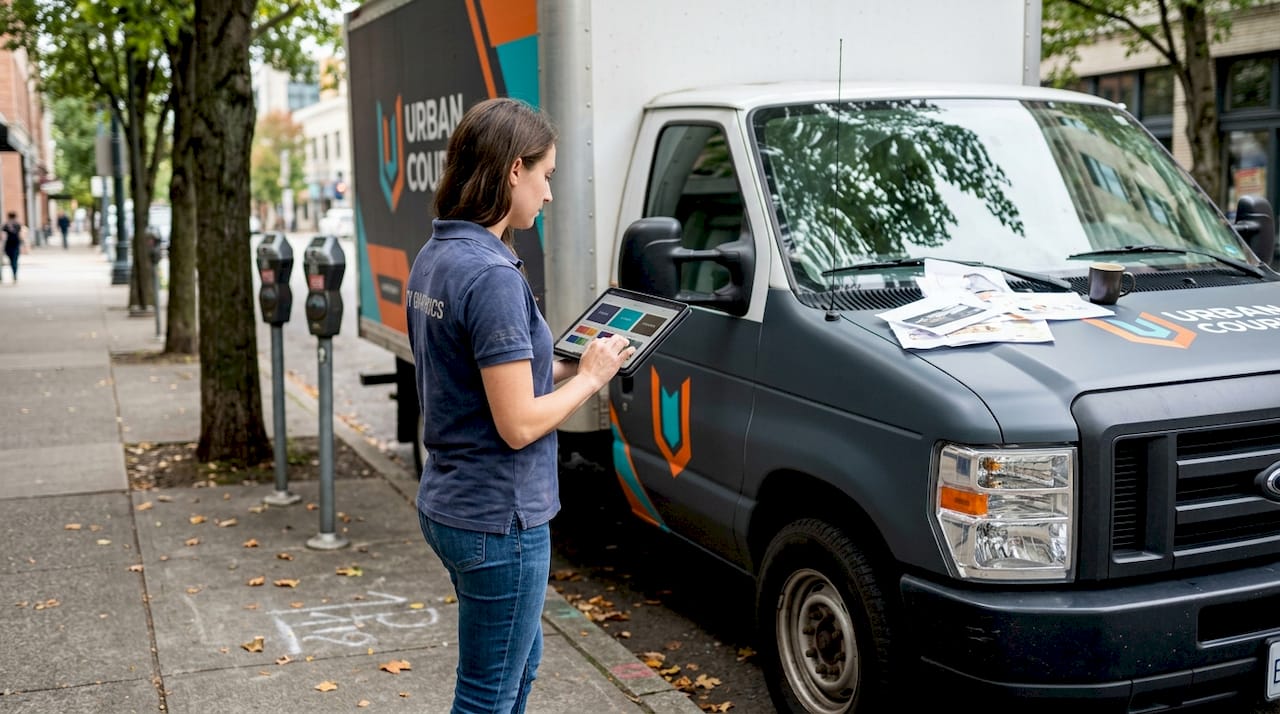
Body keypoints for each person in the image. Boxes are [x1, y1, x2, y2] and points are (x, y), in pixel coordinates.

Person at [404, 97, 634, 713]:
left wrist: (570, 362)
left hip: (451, 502)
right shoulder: (493, 276)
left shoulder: (437, 256)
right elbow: (518, 423)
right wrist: (589, 379)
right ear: (513, 171)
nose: (549, 194)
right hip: (498, 519)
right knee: (487, 697)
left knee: (518, 664)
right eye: (546, 176)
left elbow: (482, 373)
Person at [2, 211, 23, 282]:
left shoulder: (5, 225)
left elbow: (3, 236)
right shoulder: (18, 225)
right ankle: (14, 274)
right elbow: (21, 236)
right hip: (15, 244)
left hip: (8, 245)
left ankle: (13, 273)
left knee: (12, 260)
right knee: (15, 260)